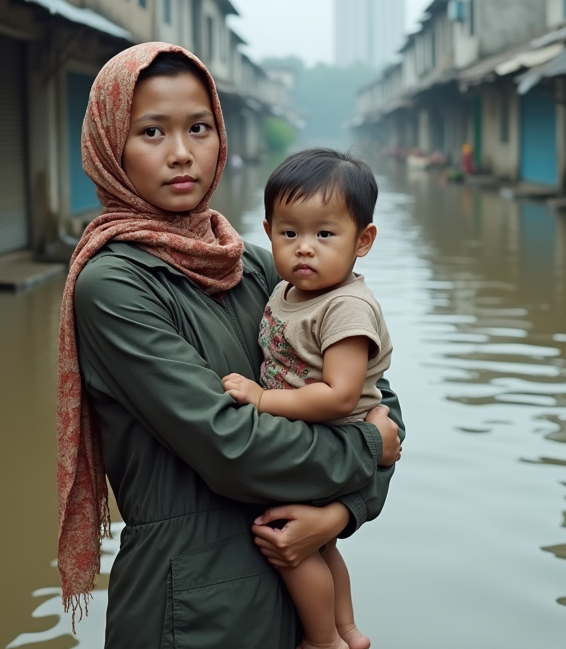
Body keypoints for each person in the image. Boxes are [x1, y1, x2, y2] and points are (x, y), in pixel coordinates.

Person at [55, 42, 404, 649]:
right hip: (190, 603)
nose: (182, 153)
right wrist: (368, 448)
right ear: (111, 145)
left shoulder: (257, 267)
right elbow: (231, 445)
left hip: (290, 581)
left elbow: (377, 395)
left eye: (199, 127)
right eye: (151, 132)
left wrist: (338, 515)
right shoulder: (113, 285)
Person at [222, 148, 393, 649]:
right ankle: (347, 630)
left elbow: (341, 396)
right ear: (268, 229)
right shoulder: (287, 290)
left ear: (363, 240)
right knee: (319, 548)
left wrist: (260, 398)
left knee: (293, 555)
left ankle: (321, 640)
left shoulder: (345, 307)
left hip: (329, 438)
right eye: (289, 233)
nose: (304, 249)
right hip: (315, 436)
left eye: (325, 234)